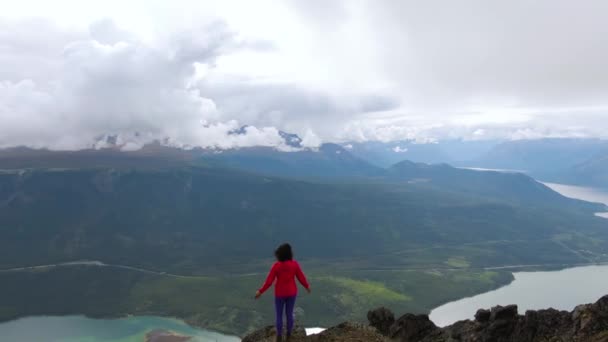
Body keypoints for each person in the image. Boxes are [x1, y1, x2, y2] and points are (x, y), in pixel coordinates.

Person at [255, 243, 311, 341]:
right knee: (289, 314)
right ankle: (289, 335)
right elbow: (300, 277)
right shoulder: (294, 264)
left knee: (279, 315)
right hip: (292, 292)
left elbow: (269, 281)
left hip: (280, 294)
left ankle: (279, 336)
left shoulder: (276, 266)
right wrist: (307, 286)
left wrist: (260, 291)